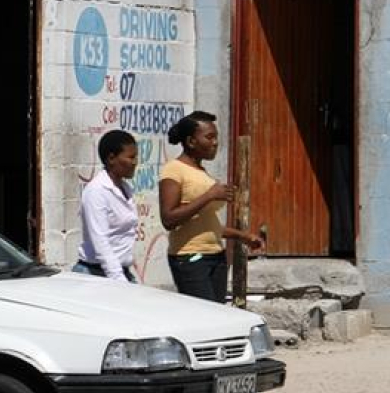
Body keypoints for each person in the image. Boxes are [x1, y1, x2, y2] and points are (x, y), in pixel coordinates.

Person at [158, 111, 262, 303]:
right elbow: (169, 219)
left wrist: (243, 236)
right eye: (209, 137)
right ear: (191, 141)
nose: (215, 143)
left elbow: (206, 225)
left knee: (216, 315)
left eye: (216, 137)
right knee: (202, 318)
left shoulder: (202, 172)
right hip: (191, 258)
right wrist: (209, 196)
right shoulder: (174, 170)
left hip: (216, 257)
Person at [74, 130, 139, 282]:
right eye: (130, 157)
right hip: (97, 274)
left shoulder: (125, 188)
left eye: (136, 157)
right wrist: (119, 280)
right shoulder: (97, 191)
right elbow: (100, 241)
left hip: (120, 272)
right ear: (111, 158)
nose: (135, 162)